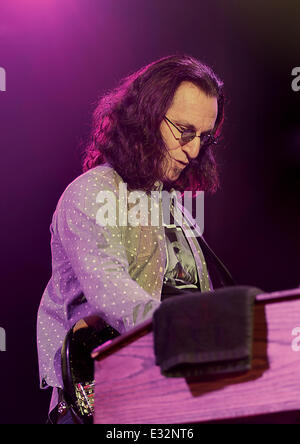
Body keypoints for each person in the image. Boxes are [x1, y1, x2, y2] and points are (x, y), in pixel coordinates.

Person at [37, 54, 234, 423]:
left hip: (168, 402)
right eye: (184, 131)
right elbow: (113, 294)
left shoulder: (172, 206)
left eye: (204, 137)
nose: (194, 151)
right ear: (145, 117)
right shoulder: (92, 194)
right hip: (103, 404)